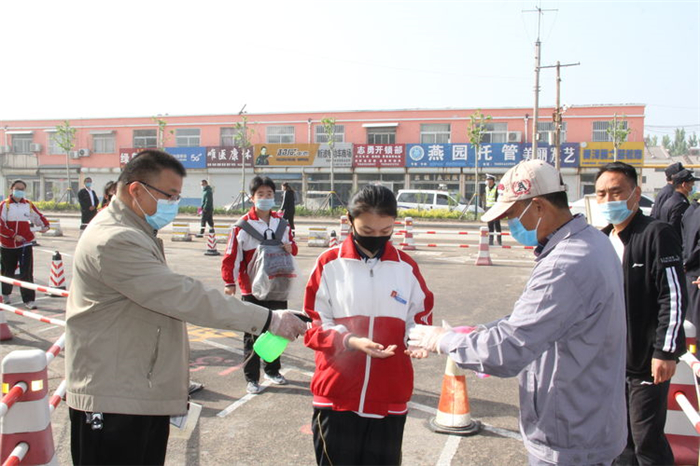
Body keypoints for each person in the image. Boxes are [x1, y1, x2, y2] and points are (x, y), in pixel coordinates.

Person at [65, 150, 306, 466]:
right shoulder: (114, 239)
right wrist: (268, 320)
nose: (174, 204)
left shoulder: (136, 230)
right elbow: (183, 296)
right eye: (169, 195)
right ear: (136, 190)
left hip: (136, 391)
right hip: (115, 400)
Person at [408, 160, 627, 465]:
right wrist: (479, 333)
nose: (512, 227)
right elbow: (543, 321)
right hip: (593, 417)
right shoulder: (593, 242)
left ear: (538, 206)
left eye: (513, 215)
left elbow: (508, 352)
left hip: (569, 435)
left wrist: (442, 340)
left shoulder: (564, 264)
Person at [304, 184, 433, 466]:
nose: (377, 237)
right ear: (350, 221)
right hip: (336, 394)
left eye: (385, 231)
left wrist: (418, 340)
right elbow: (313, 325)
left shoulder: (406, 268)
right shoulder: (329, 264)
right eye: (367, 231)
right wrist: (350, 341)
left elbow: (420, 317)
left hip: (389, 393)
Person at [595, 162, 687, 465]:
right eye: (602, 194)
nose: (609, 200)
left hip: (646, 361)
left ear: (635, 194)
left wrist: (665, 351)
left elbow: (672, 295)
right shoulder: (602, 240)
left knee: (646, 438)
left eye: (616, 191)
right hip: (612, 362)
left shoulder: (657, 234)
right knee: (619, 438)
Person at [222, 176, 298, 394]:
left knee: (278, 330)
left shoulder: (281, 223)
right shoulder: (242, 227)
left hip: (278, 285)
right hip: (252, 289)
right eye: (261, 195)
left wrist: (289, 247)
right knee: (253, 333)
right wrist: (229, 282)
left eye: (269, 194)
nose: (265, 198)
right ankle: (252, 377)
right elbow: (231, 256)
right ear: (252, 198)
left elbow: (293, 248)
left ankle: (272, 370)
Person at [0, 180, 50, 309]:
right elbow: (1, 225)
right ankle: (5, 294)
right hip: (8, 245)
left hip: (25, 244)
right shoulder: (5, 205)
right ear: (11, 189)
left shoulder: (28, 204)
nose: (20, 191)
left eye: (22, 189)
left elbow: (38, 216)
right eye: (17, 188)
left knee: (26, 272)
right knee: (7, 271)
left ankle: (29, 300)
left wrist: (45, 225)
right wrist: (13, 235)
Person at [659, 168, 698, 239]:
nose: (692, 189)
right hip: (674, 245)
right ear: (684, 185)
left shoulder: (671, 200)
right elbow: (676, 229)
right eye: (691, 185)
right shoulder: (680, 204)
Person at [483, 174, 501, 245]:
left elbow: (498, 198)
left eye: (488, 180)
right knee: (490, 225)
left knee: (497, 224)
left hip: (495, 208)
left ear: (492, 181)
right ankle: (491, 241)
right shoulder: (486, 188)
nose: (487, 181)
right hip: (488, 208)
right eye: (487, 180)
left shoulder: (496, 188)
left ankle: (499, 241)